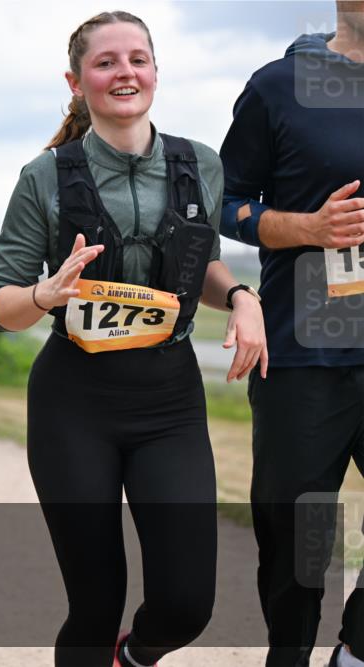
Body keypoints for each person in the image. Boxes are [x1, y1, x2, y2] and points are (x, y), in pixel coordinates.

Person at [0, 12, 268, 667]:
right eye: (106, 62)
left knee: (188, 601)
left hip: (168, 399)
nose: (124, 72)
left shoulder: (200, 164)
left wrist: (244, 298)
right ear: (77, 80)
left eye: (137, 59)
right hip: (73, 400)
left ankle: (134, 657)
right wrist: (42, 296)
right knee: (95, 600)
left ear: (156, 72)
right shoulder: (45, 176)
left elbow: (199, 264)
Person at [218, 4, 364, 665]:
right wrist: (308, 228)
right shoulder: (279, 86)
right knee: (298, 533)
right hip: (305, 346)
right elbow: (228, 202)